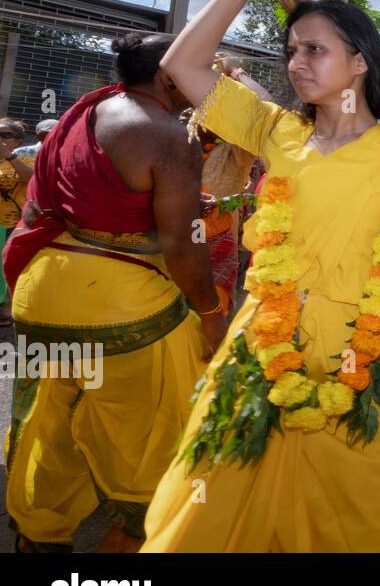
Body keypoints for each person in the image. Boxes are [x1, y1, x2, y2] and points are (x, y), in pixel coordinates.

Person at [141, 0, 380, 552]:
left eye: (315, 49)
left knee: (341, 532)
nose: (296, 63)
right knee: (204, 516)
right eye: (290, 50)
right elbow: (182, 65)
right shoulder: (277, 130)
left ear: (360, 60)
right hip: (261, 350)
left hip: (366, 370)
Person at [2, 35, 220, 552]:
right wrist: (210, 310)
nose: (206, 83)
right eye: (198, 70)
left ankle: (40, 535)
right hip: (118, 305)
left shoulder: (89, 109)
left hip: (41, 290)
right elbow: (181, 246)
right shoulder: (169, 134)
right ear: (169, 78)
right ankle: (138, 534)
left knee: (49, 425)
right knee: (149, 433)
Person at [0, 117, 32, 313]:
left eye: (5, 135)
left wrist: (9, 156)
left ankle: (5, 311)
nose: (0, 138)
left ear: (19, 140)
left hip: (8, 224)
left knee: (5, 270)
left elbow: (31, 179)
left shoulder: (25, 159)